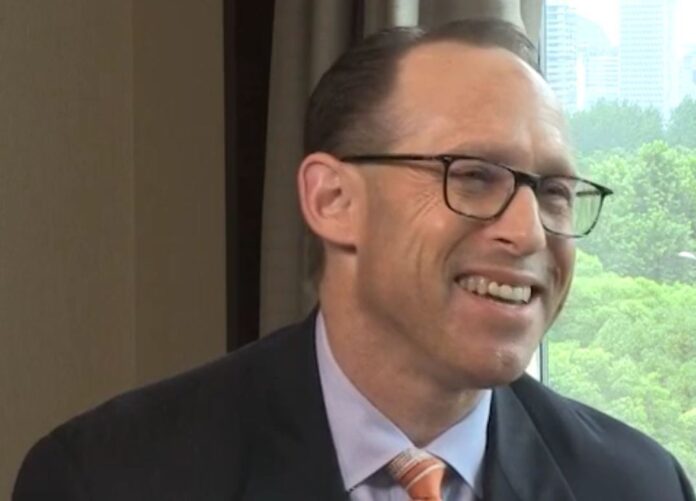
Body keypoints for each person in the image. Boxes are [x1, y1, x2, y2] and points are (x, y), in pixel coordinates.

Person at [13, 19, 695, 501]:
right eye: (472, 176)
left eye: (554, 193)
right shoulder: (109, 477)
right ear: (332, 199)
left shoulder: (641, 485)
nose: (529, 233)